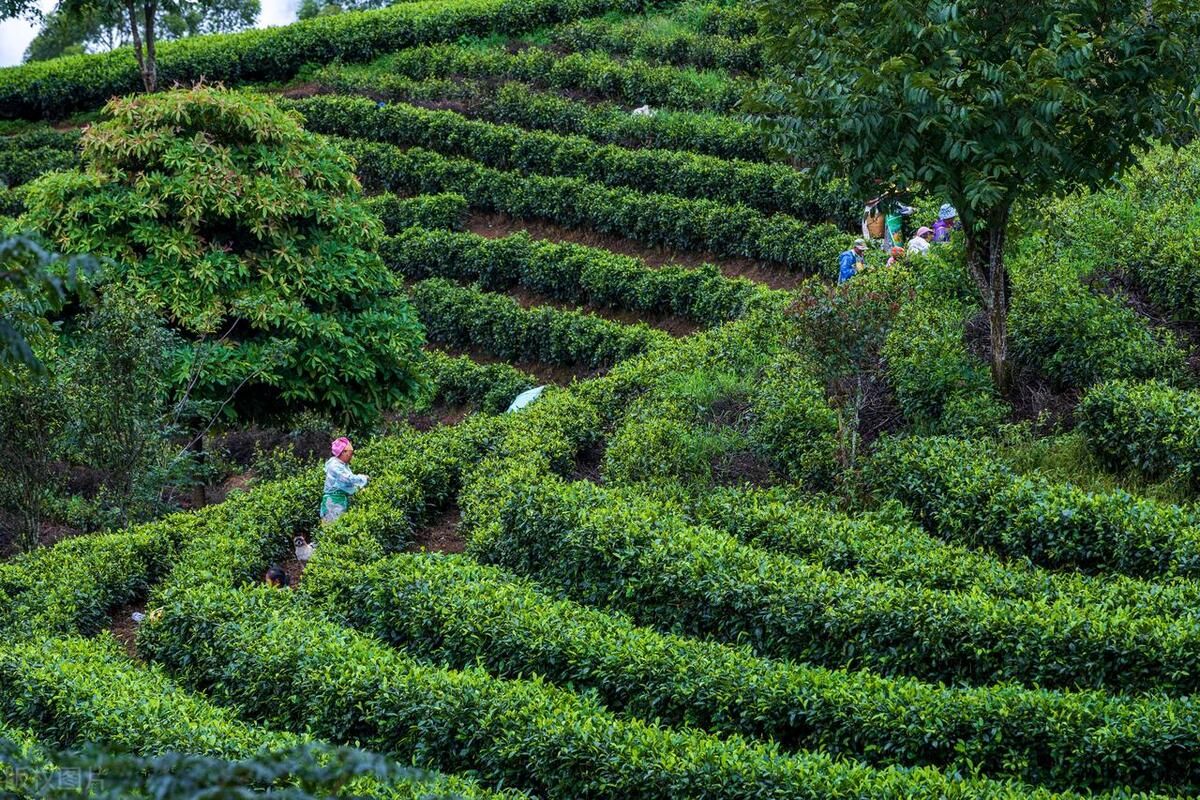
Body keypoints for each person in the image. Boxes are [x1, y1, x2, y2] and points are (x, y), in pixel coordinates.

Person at [320, 437, 368, 525]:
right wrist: (362, 478)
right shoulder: (335, 465)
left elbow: (346, 485)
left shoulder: (342, 465)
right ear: (343, 452)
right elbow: (347, 479)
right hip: (333, 503)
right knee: (332, 528)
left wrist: (359, 488)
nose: (351, 456)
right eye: (350, 453)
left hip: (339, 501)